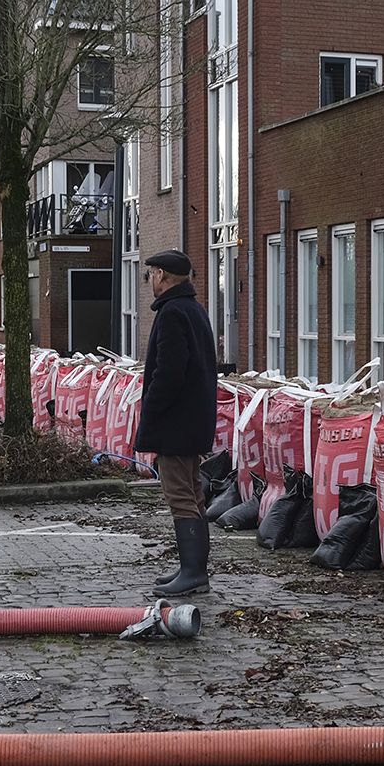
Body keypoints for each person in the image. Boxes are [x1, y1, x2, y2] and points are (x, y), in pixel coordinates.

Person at [134, 249, 218, 597]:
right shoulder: (194, 310)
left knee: (180, 494)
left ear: (163, 276)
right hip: (194, 420)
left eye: (150, 273)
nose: (149, 280)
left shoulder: (172, 314)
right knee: (194, 493)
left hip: (176, 423)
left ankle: (193, 571)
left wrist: (150, 410)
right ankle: (193, 568)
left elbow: (168, 373)